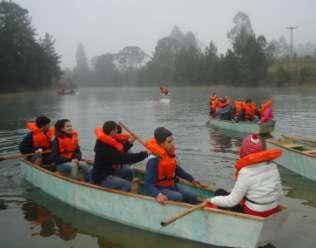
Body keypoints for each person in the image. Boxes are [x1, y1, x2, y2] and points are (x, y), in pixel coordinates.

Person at [207, 134, 283, 217]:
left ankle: (225, 219)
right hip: (273, 209)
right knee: (230, 195)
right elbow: (280, 194)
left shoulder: (246, 171)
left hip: (254, 212)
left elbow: (232, 201)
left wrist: (211, 200)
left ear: (244, 150)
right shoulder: (273, 166)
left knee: (219, 192)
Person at [144, 127, 202, 204]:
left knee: (193, 195)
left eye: (172, 140)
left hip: (172, 185)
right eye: (169, 142)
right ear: (161, 144)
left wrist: (191, 179)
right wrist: (158, 195)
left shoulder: (168, 155)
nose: (173, 144)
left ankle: (188, 206)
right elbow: (149, 184)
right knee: (178, 197)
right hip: (159, 188)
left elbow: (177, 170)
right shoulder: (153, 160)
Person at [91, 121, 148, 192]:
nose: (117, 131)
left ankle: (122, 189)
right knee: (127, 185)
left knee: (128, 172)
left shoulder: (108, 141)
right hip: (101, 178)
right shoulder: (104, 149)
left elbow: (120, 149)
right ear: (112, 132)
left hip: (109, 171)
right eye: (116, 130)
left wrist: (131, 141)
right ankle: (120, 197)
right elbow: (124, 158)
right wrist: (144, 154)